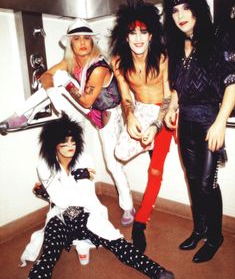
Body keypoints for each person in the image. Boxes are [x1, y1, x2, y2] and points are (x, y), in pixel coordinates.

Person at [13, 114, 174, 279]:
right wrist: (74, 177)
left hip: (85, 214)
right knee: (47, 259)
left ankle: (158, 273)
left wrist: (52, 189)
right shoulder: (44, 165)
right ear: (53, 144)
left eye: (73, 141)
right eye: (64, 142)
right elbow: (62, 201)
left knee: (119, 244)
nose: (70, 146)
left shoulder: (85, 159)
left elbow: (83, 197)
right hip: (60, 218)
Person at [0, 18, 134, 226]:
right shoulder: (71, 62)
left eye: (86, 39)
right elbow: (46, 76)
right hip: (87, 110)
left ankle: (128, 207)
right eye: (76, 38)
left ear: (92, 42)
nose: (82, 43)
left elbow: (87, 101)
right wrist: (54, 91)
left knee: (113, 164)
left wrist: (62, 85)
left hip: (107, 116)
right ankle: (21, 115)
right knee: (58, 78)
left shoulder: (98, 67)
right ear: (70, 43)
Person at [163, 0, 235, 263]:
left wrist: (220, 122)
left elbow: (232, 83)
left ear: (197, 7)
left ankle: (215, 236)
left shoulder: (218, 36)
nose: (180, 16)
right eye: (175, 10)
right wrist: (172, 106)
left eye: (185, 8)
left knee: (207, 184)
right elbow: (178, 87)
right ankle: (200, 229)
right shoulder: (177, 45)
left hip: (209, 120)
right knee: (193, 181)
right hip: (186, 122)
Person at [110, 0, 173, 252]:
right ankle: (150, 145)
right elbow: (126, 98)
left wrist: (156, 127)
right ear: (125, 36)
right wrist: (130, 116)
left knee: (155, 171)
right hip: (141, 110)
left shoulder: (162, 57)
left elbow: (169, 97)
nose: (137, 37)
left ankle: (140, 222)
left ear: (150, 35)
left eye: (143, 32)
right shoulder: (118, 62)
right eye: (132, 32)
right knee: (119, 153)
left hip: (164, 113)